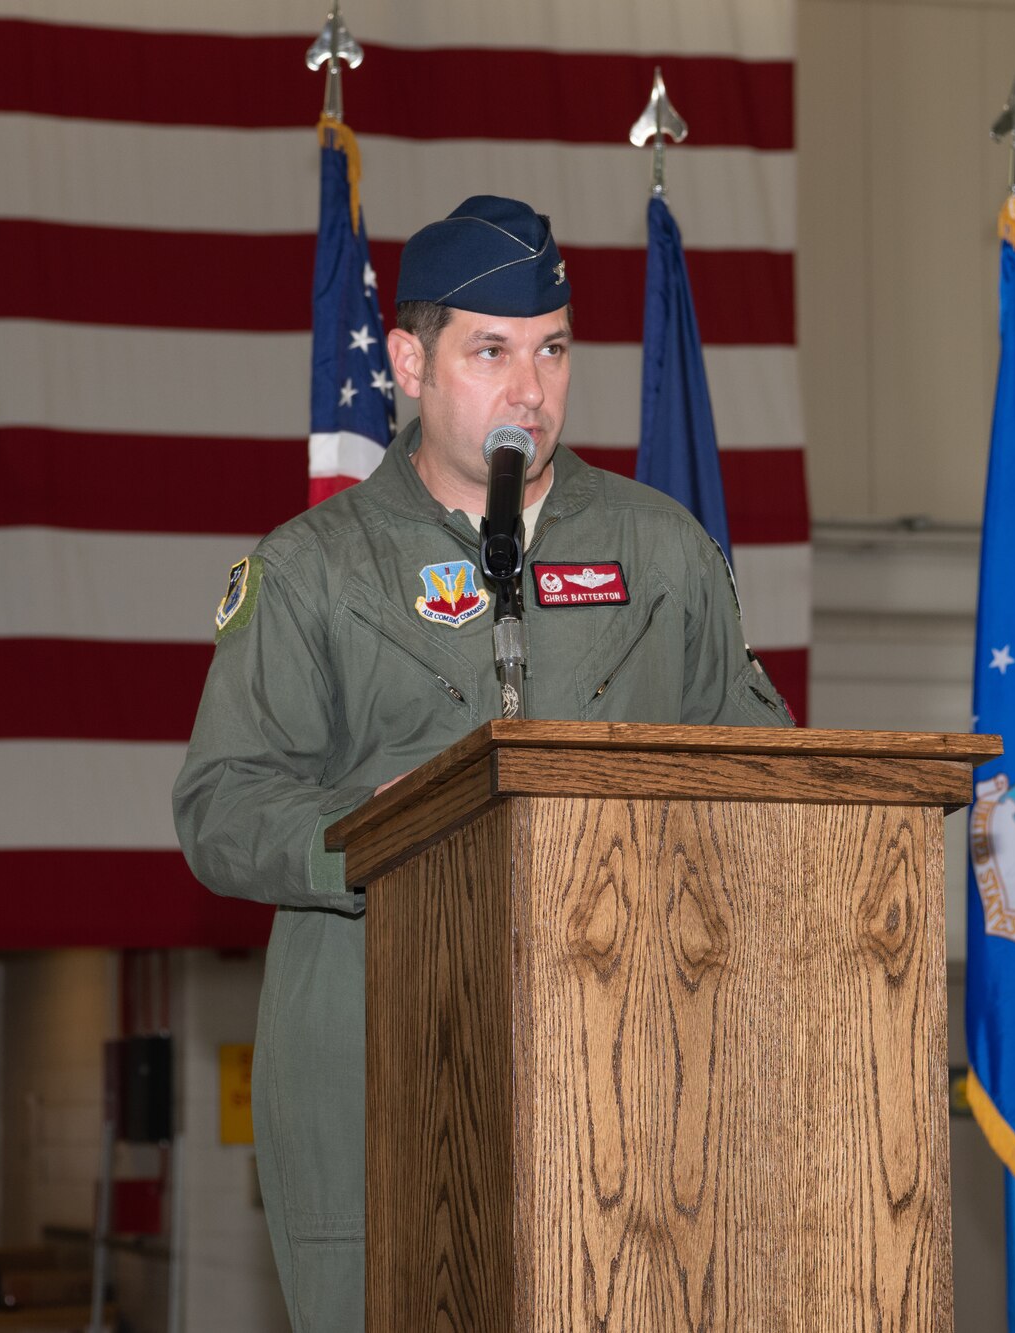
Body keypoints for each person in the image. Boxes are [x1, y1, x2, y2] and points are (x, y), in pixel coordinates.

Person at [172, 195, 792, 1333]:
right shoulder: (315, 568)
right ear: (408, 360)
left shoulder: (659, 550)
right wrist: (371, 829)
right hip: (382, 1068)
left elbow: (761, 773)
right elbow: (220, 804)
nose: (529, 389)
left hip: (633, 1071)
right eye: (491, 351)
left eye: (552, 349)